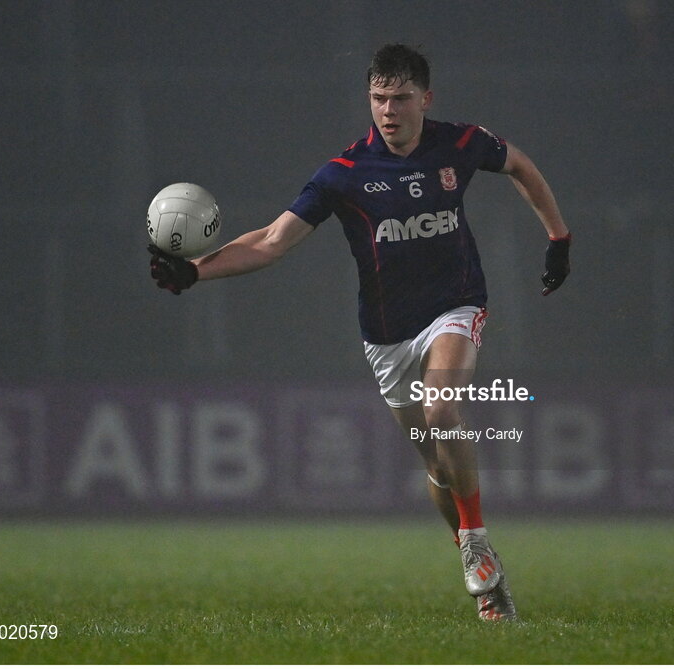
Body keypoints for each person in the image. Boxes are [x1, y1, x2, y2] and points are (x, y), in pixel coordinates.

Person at [148, 43, 571, 622]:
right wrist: (194, 270)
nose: (388, 111)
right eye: (378, 99)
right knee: (436, 468)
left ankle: (475, 538)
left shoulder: (462, 143)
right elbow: (271, 241)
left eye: (400, 99)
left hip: (456, 307)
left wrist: (558, 237)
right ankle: (481, 567)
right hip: (386, 337)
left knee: (442, 410)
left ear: (426, 98)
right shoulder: (344, 174)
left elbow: (519, 163)